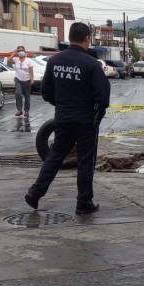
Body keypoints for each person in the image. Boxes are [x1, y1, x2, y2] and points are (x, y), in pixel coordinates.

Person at [24, 23, 111, 215]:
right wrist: (96, 110)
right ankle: (84, 202)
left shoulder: (54, 62)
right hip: (86, 120)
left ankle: (35, 192)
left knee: (55, 156)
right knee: (86, 160)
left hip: (62, 117)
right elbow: (103, 96)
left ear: (70, 37)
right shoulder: (91, 64)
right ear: (87, 39)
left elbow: (46, 91)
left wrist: (62, 104)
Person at [8, 46, 34, 117]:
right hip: (18, 79)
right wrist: (14, 52)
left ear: (24, 51)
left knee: (27, 96)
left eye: (22, 50)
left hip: (27, 80)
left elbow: (31, 71)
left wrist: (32, 79)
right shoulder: (16, 59)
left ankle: (26, 111)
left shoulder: (29, 60)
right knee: (18, 93)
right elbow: (9, 60)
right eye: (19, 50)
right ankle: (19, 110)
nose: (21, 51)